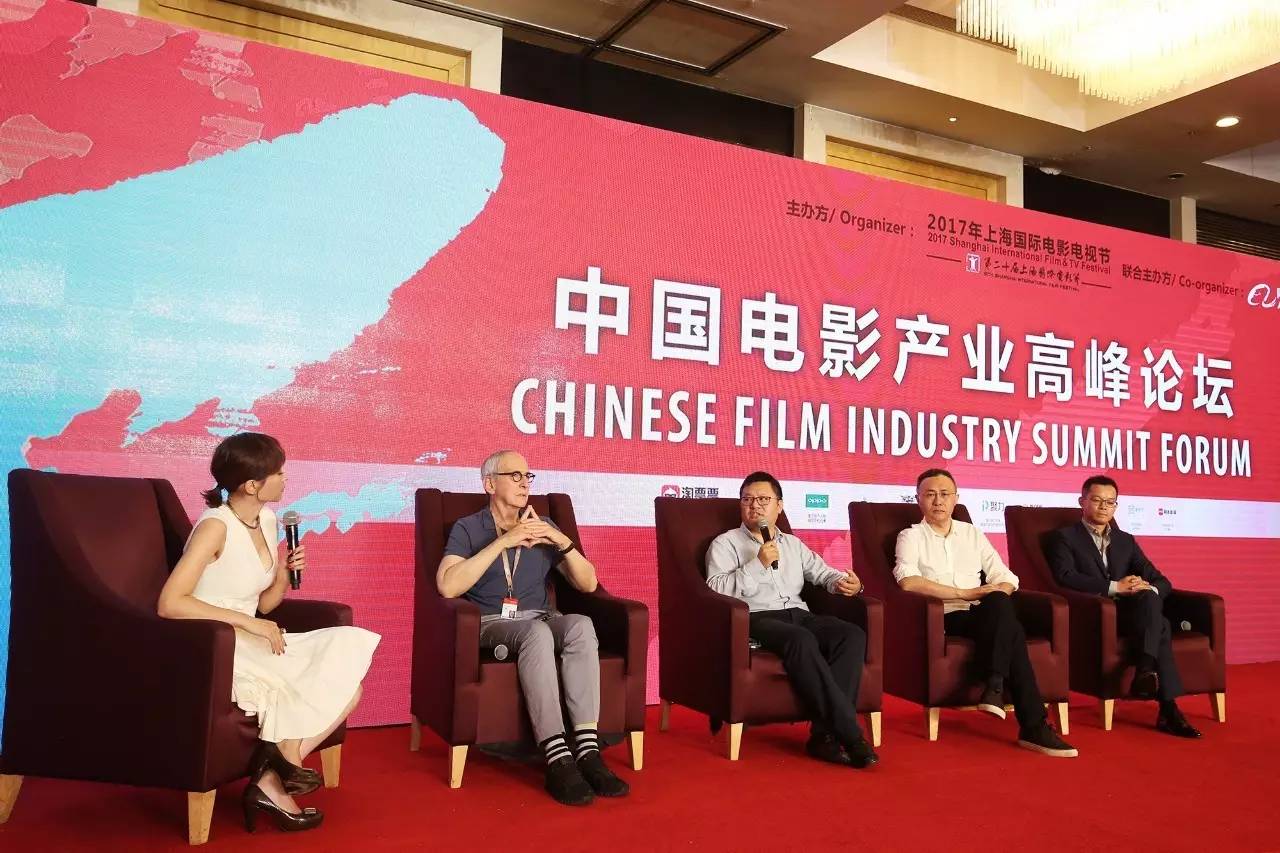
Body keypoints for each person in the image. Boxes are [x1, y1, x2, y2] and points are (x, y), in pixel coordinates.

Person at [157, 432, 380, 833]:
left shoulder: (268, 520)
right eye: (277, 472)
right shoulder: (215, 527)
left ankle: (273, 776)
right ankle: (275, 783)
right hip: (213, 643)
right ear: (250, 484)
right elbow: (170, 602)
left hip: (254, 637)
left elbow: (266, 605)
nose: (285, 478)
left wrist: (282, 576)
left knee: (350, 683)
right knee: (313, 685)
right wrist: (246, 622)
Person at [437, 450, 629, 806]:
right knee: (536, 634)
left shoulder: (544, 526)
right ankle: (557, 758)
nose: (525, 483)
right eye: (515, 476)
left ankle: (588, 750)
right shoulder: (469, 527)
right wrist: (503, 542)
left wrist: (560, 541)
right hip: (491, 622)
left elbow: (588, 584)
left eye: (528, 476)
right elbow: (447, 586)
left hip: (540, 617)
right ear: (489, 484)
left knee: (580, 625)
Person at [894, 468, 1077, 758]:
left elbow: (1007, 577)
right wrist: (965, 593)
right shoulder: (911, 536)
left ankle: (996, 686)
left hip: (982, 615)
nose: (938, 501)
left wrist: (993, 591)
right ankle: (1031, 722)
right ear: (918, 499)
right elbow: (908, 581)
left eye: (944, 494)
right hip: (943, 617)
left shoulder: (972, 534)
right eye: (930, 494)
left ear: (956, 498)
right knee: (1011, 630)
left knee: (1000, 602)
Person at [705, 471, 878, 769]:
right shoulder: (725, 543)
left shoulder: (792, 544)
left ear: (779, 506)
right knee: (801, 640)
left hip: (799, 613)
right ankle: (851, 736)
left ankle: (824, 736)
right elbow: (715, 589)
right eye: (747, 500)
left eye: (763, 499)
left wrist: (846, 583)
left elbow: (821, 573)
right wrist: (757, 564)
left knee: (851, 635)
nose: (755, 506)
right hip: (755, 616)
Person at [1045, 474, 1201, 738]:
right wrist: (1116, 586)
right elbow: (1065, 576)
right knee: (1161, 625)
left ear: (1116, 506)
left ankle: (1148, 674)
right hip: (1094, 613)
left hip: (1132, 613)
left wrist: (1145, 587)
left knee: (1150, 597)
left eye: (1110, 502)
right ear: (1082, 501)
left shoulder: (1125, 540)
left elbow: (1161, 580)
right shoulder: (1064, 537)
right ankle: (1167, 706)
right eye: (1097, 500)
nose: (1104, 507)